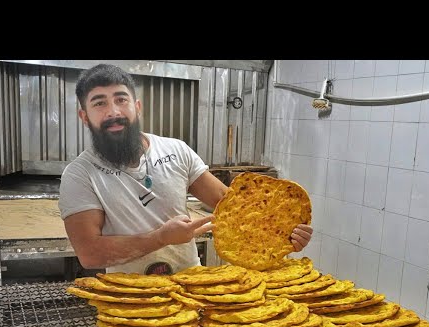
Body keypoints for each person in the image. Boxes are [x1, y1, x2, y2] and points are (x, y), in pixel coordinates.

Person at [58, 63, 313, 275]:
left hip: (192, 285)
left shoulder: (175, 151)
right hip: (131, 297)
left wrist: (284, 235)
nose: (113, 111)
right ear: (84, 116)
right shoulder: (81, 174)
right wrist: (161, 238)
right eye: (99, 103)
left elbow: (234, 210)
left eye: (121, 100)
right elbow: (90, 254)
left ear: (136, 107)